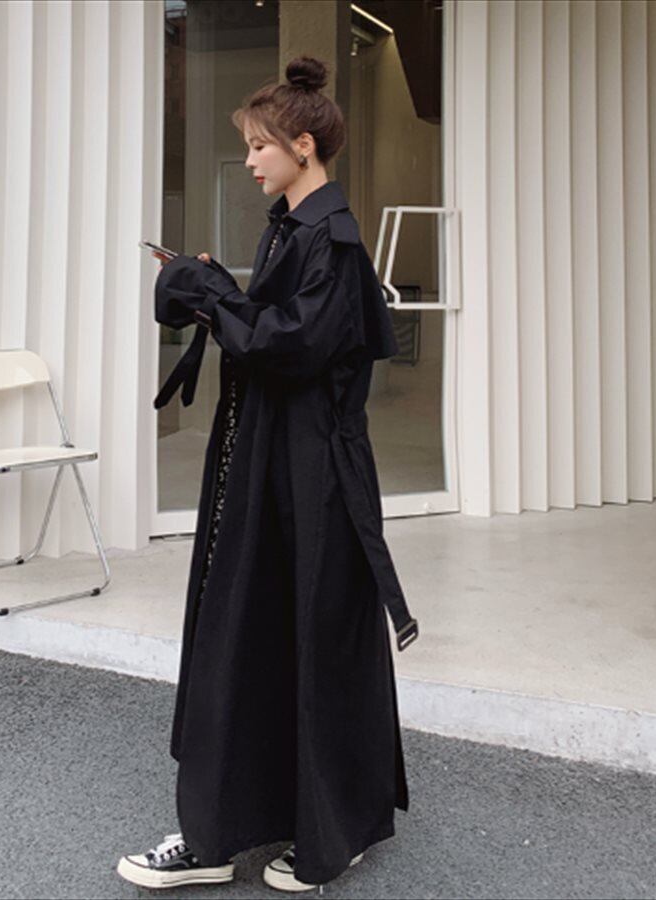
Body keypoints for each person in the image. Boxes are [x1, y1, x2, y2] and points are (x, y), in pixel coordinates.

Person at [117, 55, 418, 895]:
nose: (249, 160)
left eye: (259, 145)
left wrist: (213, 296)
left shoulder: (332, 238)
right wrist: (219, 288)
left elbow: (289, 347)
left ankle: (320, 835)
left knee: (307, 640)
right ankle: (231, 830)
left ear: (303, 146)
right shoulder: (294, 227)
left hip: (312, 475)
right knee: (265, 634)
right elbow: (277, 330)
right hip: (278, 464)